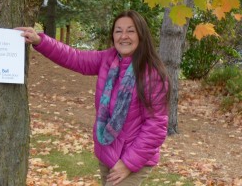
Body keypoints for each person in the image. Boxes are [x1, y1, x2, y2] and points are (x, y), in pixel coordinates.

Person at [17, 10, 170, 186]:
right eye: (118, 31)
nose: (124, 36)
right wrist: (40, 41)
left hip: (133, 160)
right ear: (113, 36)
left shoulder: (152, 74)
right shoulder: (108, 59)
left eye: (131, 30)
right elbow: (73, 57)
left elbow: (156, 127)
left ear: (141, 35)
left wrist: (127, 164)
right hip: (108, 152)